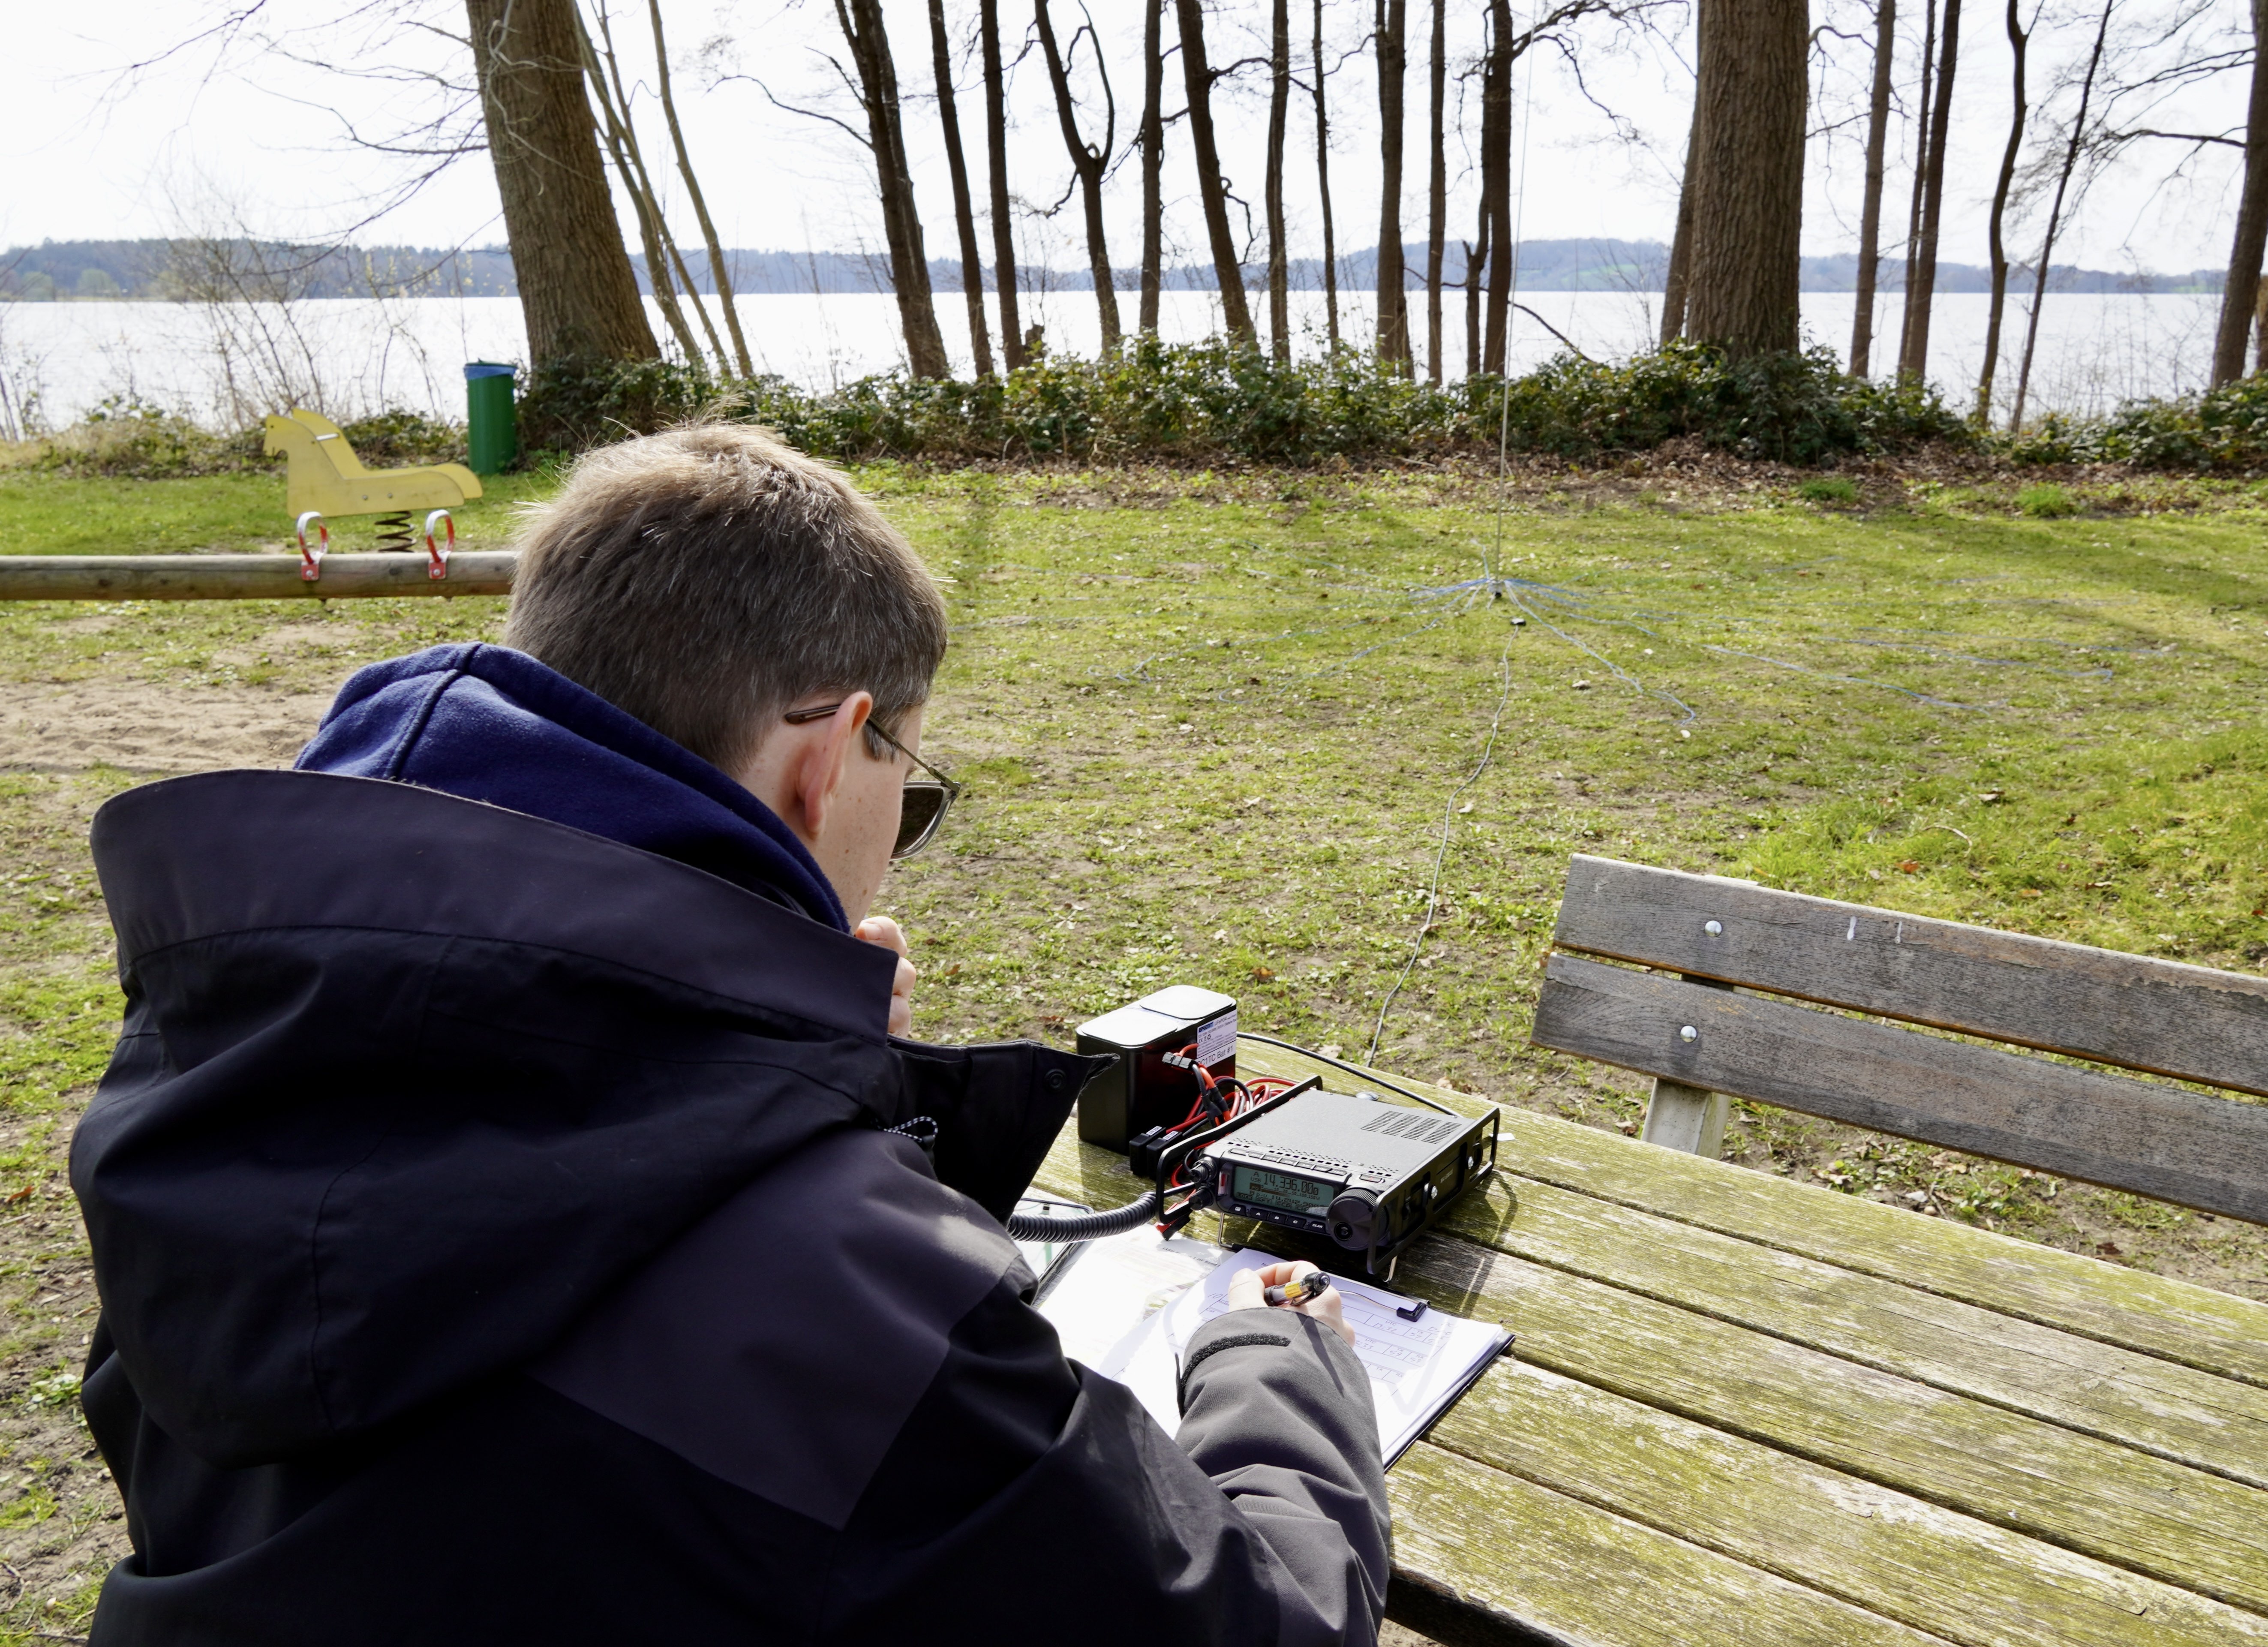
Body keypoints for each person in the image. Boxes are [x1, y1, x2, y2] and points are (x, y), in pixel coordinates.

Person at [71, 424, 1389, 1644]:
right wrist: (1277, 1358)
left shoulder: (212, 1085)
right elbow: (1259, 1623)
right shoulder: (837, 1293)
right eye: (910, 790)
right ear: (831, 754)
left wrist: (789, 1078)